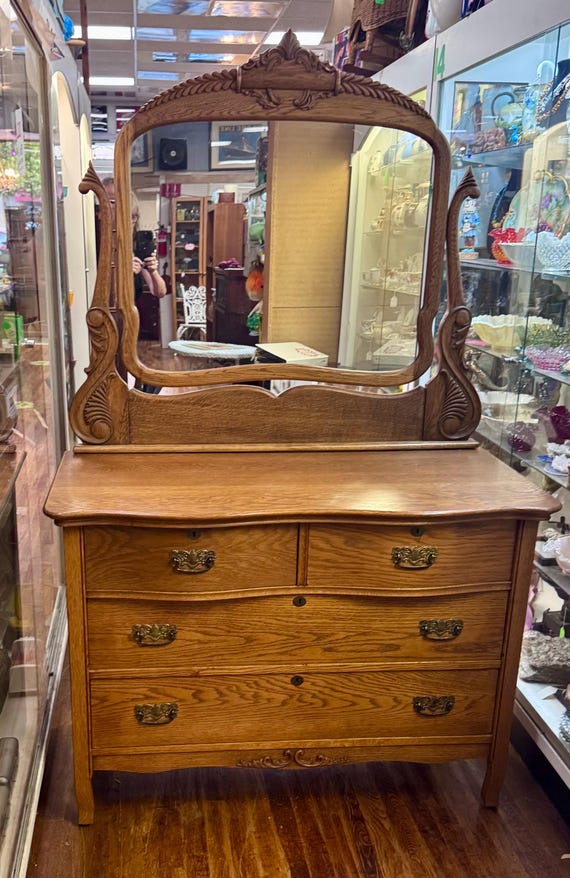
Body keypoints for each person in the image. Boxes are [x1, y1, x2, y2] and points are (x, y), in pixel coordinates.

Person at [131, 194, 166, 393]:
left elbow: (159, 291)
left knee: (152, 375)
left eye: (134, 217)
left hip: (133, 322)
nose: (130, 222)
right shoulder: (102, 242)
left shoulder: (139, 245)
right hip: (111, 319)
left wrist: (152, 270)